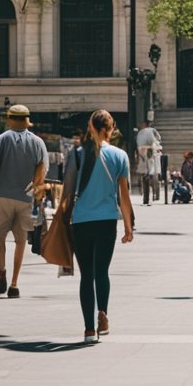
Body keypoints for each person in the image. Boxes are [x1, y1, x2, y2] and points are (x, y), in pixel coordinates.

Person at [63, 109, 133, 344]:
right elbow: (124, 195)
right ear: (110, 129)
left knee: (87, 275)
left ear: (90, 127)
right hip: (107, 221)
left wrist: (63, 217)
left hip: (82, 221)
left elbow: (68, 190)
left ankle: (88, 329)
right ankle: (103, 312)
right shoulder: (120, 156)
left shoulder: (78, 154)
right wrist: (129, 226)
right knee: (102, 271)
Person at [0, 104, 48, 298]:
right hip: (25, 198)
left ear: (10, 120)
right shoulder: (38, 142)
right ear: (26, 120)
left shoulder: (2, 139)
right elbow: (42, 172)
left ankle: (2, 270)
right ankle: (14, 284)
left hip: (2, 197)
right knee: (20, 241)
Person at [136, 121, 162, 205]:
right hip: (148, 157)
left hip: (146, 156)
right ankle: (150, 197)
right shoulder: (149, 132)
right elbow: (158, 138)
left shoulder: (143, 133)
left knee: (147, 179)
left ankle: (147, 198)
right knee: (149, 178)